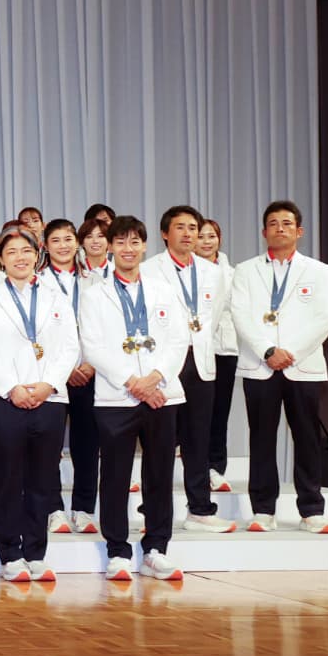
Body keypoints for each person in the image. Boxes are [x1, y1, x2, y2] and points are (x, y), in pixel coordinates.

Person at [78, 215, 186, 580]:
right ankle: (118, 551)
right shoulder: (94, 295)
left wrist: (155, 379)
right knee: (115, 477)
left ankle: (156, 549)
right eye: (121, 242)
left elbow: (178, 340)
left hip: (161, 396)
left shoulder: (163, 290)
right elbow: (93, 346)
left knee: (159, 475)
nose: (128, 248)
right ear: (110, 247)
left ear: (145, 246)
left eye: (135, 242)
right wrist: (133, 382)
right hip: (116, 398)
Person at [0, 230, 78, 584]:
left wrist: (48, 385)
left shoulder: (56, 297)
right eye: (11, 251)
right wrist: (12, 388)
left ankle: (36, 553)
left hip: (49, 398)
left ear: (37, 255)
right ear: (1, 259)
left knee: (42, 480)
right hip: (2, 399)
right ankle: (10, 554)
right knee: (7, 479)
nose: (20, 257)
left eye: (26, 250)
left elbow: (70, 347)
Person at [230, 200, 328, 533]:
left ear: (299, 231)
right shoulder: (246, 270)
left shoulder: (319, 271)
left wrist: (290, 352)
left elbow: (325, 318)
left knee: (307, 437)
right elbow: (240, 314)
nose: (280, 228)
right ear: (264, 232)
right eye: (273, 223)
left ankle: (311, 510)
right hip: (260, 365)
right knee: (261, 438)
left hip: (302, 365)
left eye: (287, 223)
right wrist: (267, 351)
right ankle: (263, 510)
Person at [143, 206, 230, 532]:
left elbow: (214, 314)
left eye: (193, 227)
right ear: (165, 234)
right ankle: (153, 511)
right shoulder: (149, 270)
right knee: (159, 442)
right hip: (165, 364)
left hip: (200, 362)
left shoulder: (212, 271)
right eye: (180, 227)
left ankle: (200, 510)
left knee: (198, 439)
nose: (188, 233)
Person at [42, 218, 99, 537]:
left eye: (68, 239)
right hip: (51, 376)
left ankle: (84, 509)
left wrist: (90, 363)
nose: (63, 246)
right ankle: (53, 509)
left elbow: (104, 328)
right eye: (56, 240)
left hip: (90, 373)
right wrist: (62, 370)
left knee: (87, 444)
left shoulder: (96, 280)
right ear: (45, 246)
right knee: (49, 446)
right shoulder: (37, 282)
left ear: (77, 243)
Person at [196, 218, 240, 489]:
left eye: (211, 236)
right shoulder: (185, 272)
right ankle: (193, 463)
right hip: (192, 349)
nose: (206, 241)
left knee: (218, 411)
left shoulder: (234, 274)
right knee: (191, 412)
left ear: (219, 240)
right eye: (201, 236)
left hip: (223, 349)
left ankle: (215, 467)